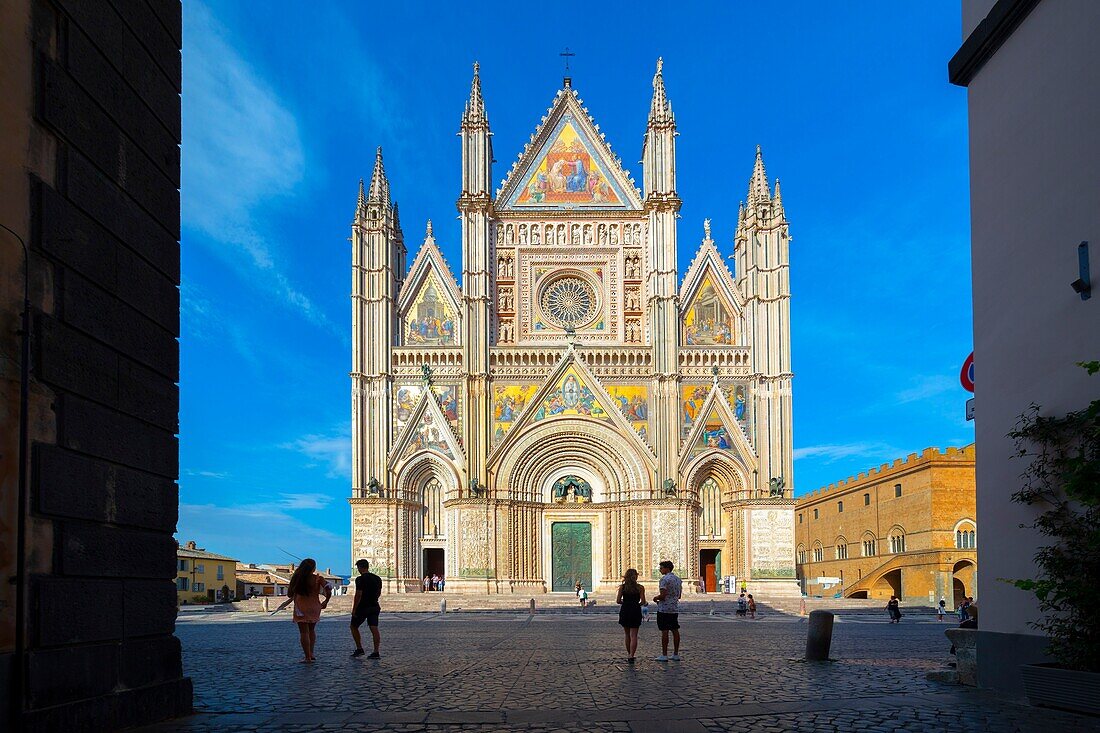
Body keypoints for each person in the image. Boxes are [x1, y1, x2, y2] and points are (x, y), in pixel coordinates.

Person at [287, 558, 331, 663]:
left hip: (301, 608)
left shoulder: (297, 578)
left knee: (303, 632)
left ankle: (307, 657)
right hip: (315, 607)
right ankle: (311, 653)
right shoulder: (318, 579)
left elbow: (289, 594)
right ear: (313, 568)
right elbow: (328, 588)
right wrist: (326, 601)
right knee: (311, 630)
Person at [350, 559, 383, 659]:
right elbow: (379, 592)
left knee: (353, 626)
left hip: (363, 607)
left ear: (360, 568)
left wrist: (354, 608)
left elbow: (358, 594)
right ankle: (376, 652)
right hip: (374, 606)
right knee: (374, 628)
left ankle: (359, 649)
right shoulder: (378, 578)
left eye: (358, 568)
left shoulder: (360, 579)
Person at [652, 560, 682, 661]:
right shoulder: (678, 579)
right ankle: (676, 654)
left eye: (661, 568)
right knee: (675, 630)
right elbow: (679, 595)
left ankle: (664, 655)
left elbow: (663, 595)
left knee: (664, 631)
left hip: (664, 609)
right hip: (674, 608)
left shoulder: (664, 579)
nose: (660, 570)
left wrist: (655, 598)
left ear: (667, 568)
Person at [616, 568, 646, 663]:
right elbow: (643, 601)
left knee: (627, 634)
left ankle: (629, 653)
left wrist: (625, 603)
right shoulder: (640, 587)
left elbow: (618, 601)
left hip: (625, 609)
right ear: (635, 576)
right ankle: (632, 655)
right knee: (634, 635)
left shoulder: (622, 587)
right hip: (635, 610)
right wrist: (636, 604)